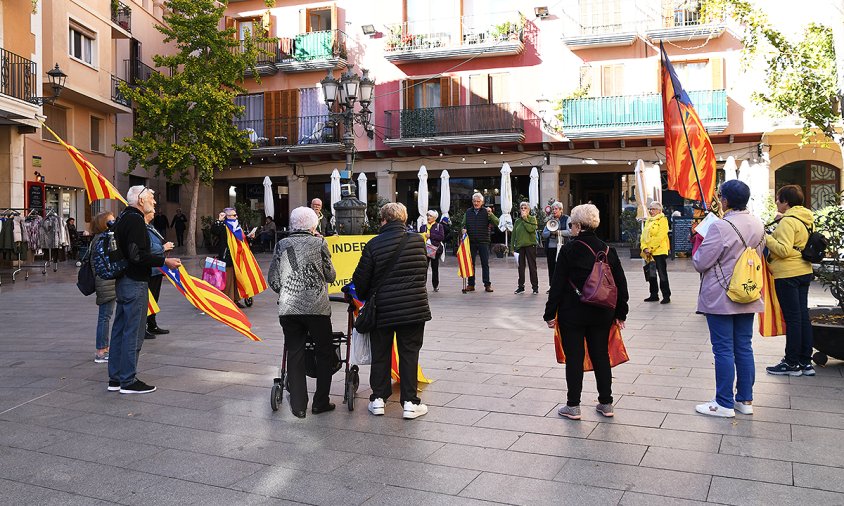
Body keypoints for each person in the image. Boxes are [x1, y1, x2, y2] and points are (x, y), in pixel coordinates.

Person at [543, 203, 629, 420]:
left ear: (579, 226)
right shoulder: (608, 250)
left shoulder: (569, 250)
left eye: (572, 223)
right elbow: (620, 283)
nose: (571, 227)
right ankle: (606, 403)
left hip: (573, 312)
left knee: (574, 357)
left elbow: (558, 283)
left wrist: (549, 313)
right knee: (601, 354)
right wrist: (621, 313)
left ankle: (573, 406)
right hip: (602, 312)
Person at [692, 180, 765, 417]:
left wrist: (698, 242)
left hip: (721, 295)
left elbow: (701, 262)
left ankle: (723, 402)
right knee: (744, 346)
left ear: (725, 201)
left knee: (723, 349)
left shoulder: (721, 227)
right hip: (748, 290)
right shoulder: (758, 223)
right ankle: (745, 400)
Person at [353, 203, 431, 420]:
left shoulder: (373, 244)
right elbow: (422, 274)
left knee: (381, 352)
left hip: (383, 309)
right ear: (404, 220)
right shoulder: (418, 241)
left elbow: (360, 281)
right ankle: (410, 403)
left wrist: (369, 293)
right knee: (409, 353)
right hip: (414, 308)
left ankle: (378, 399)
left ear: (383, 220)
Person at [109, 186, 181, 394]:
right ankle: (128, 380)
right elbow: (137, 255)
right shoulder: (135, 220)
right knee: (133, 332)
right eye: (151, 198)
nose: (154, 202)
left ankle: (115, 378)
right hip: (134, 280)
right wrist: (164, 261)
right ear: (141, 200)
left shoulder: (123, 217)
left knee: (120, 330)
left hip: (123, 280)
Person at [268, 207, 337, 418]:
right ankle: (320, 402)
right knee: (324, 353)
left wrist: (287, 291)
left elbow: (273, 279)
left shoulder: (282, 244)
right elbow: (331, 275)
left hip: (289, 309)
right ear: (313, 226)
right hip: (317, 309)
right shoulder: (320, 243)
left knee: (295, 353)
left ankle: (298, 406)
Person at [765, 184, 815, 377]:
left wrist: (766, 237)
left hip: (788, 274)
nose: (776, 202)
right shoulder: (806, 218)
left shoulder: (787, 222)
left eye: (778, 199)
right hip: (804, 271)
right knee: (803, 317)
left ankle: (791, 362)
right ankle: (805, 362)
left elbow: (784, 250)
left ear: (786, 202)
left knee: (793, 319)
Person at [461, 192, 499, 292]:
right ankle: (471, 284)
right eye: (474, 201)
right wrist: (463, 229)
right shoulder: (468, 212)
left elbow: (497, 223)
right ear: (472, 202)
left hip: (483, 241)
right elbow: (463, 224)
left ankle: (487, 284)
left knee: (485, 263)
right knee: (470, 264)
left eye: (478, 201)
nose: (476, 203)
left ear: (482, 202)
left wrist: (491, 214)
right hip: (471, 241)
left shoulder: (487, 212)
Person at [145, 208, 174, 338]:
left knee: (155, 298)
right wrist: (163, 247)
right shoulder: (142, 228)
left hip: (157, 267)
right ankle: (144, 327)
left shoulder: (151, 227)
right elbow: (147, 247)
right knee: (148, 299)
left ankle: (152, 324)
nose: (154, 212)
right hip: (149, 268)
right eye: (151, 211)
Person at [91, 212, 116, 364]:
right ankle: (101, 350)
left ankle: (104, 348)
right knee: (104, 316)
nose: (114, 221)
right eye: (111, 220)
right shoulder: (102, 239)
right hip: (105, 282)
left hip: (106, 281)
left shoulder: (99, 238)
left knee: (105, 316)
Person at [211, 208, 245, 308]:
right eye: (234, 215)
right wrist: (219, 220)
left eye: (236, 215)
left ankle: (236, 299)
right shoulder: (224, 226)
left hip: (237, 257)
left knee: (236, 279)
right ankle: (228, 300)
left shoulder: (236, 226)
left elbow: (240, 239)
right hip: (227, 257)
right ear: (228, 216)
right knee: (228, 280)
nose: (236, 217)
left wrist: (248, 236)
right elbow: (214, 231)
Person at [641, 200, 672, 304]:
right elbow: (643, 236)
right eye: (650, 209)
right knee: (651, 274)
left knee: (662, 274)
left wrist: (651, 248)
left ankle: (666, 295)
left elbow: (660, 236)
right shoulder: (648, 221)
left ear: (659, 210)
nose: (651, 211)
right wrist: (644, 247)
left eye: (653, 209)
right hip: (649, 252)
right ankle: (653, 294)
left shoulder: (663, 220)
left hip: (659, 252)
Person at [512, 201, 539, 294]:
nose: (523, 210)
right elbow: (513, 235)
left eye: (525, 208)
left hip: (530, 246)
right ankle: (521, 287)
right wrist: (512, 248)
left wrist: (525, 219)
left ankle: (535, 287)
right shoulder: (517, 221)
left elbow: (531, 229)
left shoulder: (532, 219)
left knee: (532, 267)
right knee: (521, 267)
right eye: (521, 208)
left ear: (529, 210)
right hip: (520, 247)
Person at [541, 202, 569, 290]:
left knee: (562, 267)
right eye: (553, 209)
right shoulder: (550, 220)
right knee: (551, 267)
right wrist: (550, 232)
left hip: (562, 247)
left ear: (561, 210)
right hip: (551, 247)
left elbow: (570, 232)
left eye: (556, 209)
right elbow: (544, 234)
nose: (554, 211)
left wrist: (558, 233)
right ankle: (552, 287)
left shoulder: (567, 219)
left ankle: (563, 286)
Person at [419, 209, 445, 292]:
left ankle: (435, 285)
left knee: (435, 268)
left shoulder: (439, 226)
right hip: (424, 250)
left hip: (434, 249)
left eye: (430, 216)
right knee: (423, 268)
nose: (428, 217)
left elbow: (441, 237)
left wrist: (430, 235)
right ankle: (422, 285)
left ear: (435, 218)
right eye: (428, 215)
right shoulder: (423, 227)